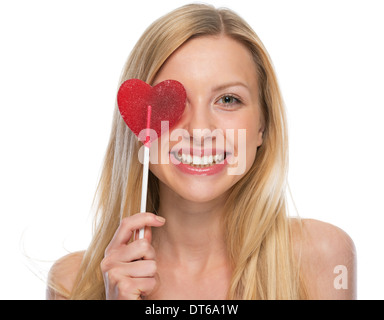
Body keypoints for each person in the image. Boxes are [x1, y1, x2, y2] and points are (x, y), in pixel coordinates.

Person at [47, 3, 356, 300]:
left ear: (263, 124)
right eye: (175, 100)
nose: (199, 130)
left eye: (228, 100)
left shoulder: (322, 257)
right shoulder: (71, 281)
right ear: (140, 122)